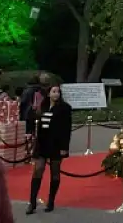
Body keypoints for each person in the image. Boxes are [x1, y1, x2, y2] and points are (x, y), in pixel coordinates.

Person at [27, 84, 72, 214]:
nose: (56, 94)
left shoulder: (65, 108)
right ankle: (32, 202)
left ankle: (51, 201)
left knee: (55, 172)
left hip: (56, 145)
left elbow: (66, 129)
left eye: (58, 92)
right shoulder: (43, 106)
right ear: (48, 93)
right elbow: (36, 124)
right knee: (38, 170)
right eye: (53, 91)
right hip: (42, 143)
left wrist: (64, 147)